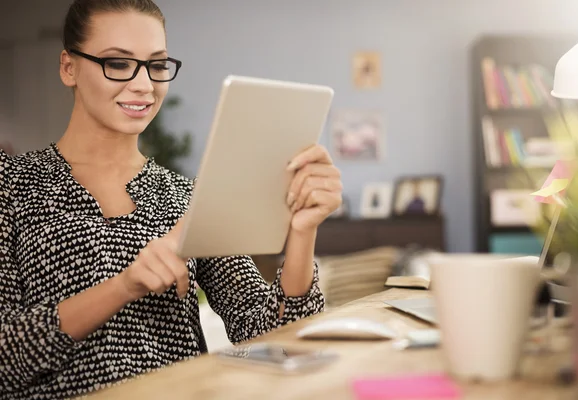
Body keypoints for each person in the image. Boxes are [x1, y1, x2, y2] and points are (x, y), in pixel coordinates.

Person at [0, 1, 342, 399]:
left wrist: (302, 232)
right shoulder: (11, 184)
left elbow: (279, 341)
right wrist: (124, 286)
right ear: (68, 67)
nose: (144, 84)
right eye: (118, 63)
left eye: (157, 65)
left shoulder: (187, 197)